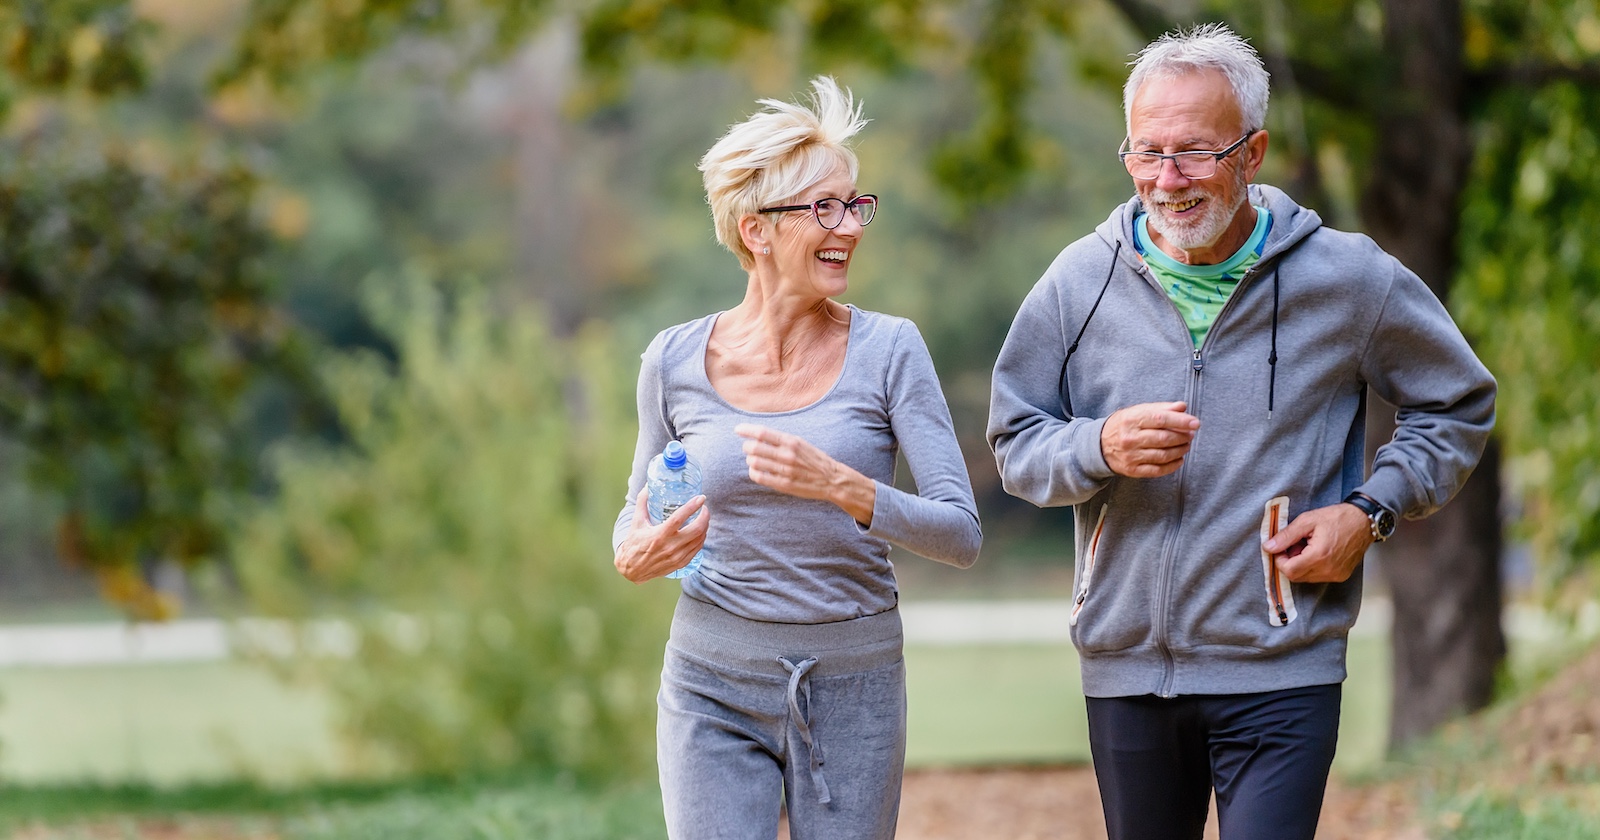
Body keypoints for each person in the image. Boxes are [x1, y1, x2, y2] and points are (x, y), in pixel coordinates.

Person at [987, 23, 1494, 840]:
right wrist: (1097, 448)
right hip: (1124, 670)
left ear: (1252, 154)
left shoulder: (1348, 277)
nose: (1167, 179)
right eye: (1146, 153)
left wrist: (1370, 513)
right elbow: (1015, 440)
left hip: (1281, 664)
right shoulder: (1078, 281)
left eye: (1194, 153)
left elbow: (1457, 403)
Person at [612, 76, 981, 840]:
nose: (849, 224)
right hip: (708, 678)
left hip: (854, 682)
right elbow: (635, 512)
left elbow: (961, 532)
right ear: (756, 231)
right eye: (824, 208)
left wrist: (846, 488)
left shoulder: (890, 350)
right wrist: (634, 551)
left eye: (854, 204)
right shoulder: (671, 360)